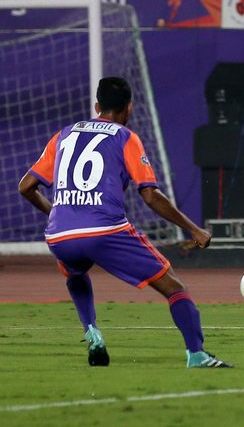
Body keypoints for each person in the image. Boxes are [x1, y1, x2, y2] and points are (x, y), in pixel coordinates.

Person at [18, 77, 232, 367]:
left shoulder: (64, 134)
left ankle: (92, 331)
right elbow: (150, 196)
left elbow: (26, 186)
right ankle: (197, 354)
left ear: (97, 106)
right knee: (174, 287)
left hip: (59, 236)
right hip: (105, 231)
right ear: (129, 108)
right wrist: (194, 229)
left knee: (75, 274)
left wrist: (57, 213)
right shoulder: (125, 137)